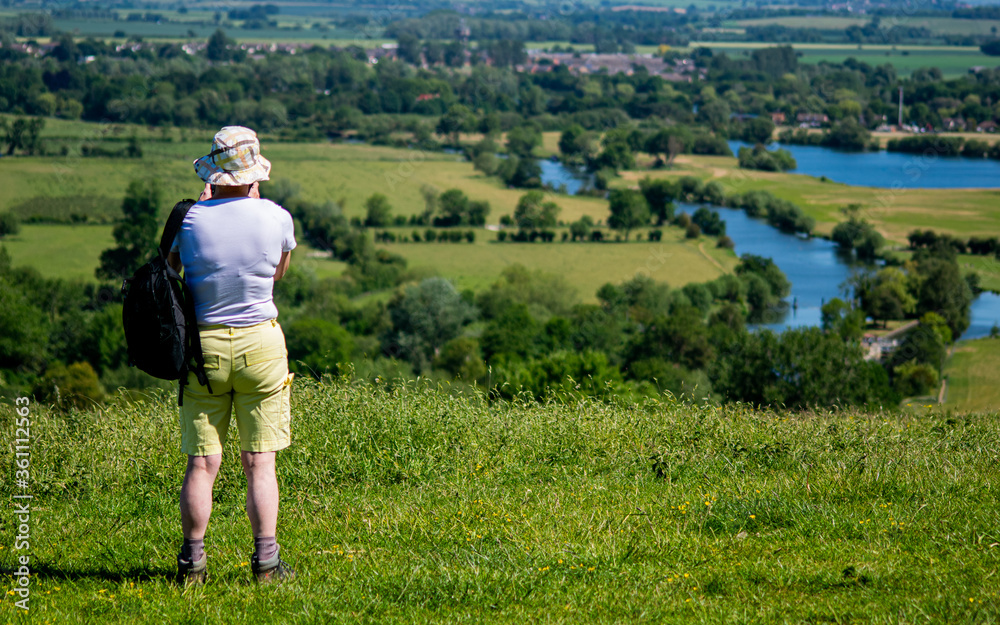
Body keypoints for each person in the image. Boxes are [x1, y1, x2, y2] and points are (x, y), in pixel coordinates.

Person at [168, 126, 296, 585]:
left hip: (204, 348)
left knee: (202, 464)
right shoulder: (276, 216)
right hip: (261, 344)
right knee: (260, 461)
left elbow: (173, 274)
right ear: (253, 173)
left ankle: (192, 564)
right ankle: (266, 563)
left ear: (214, 172)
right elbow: (277, 273)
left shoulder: (188, 220)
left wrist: (205, 209)